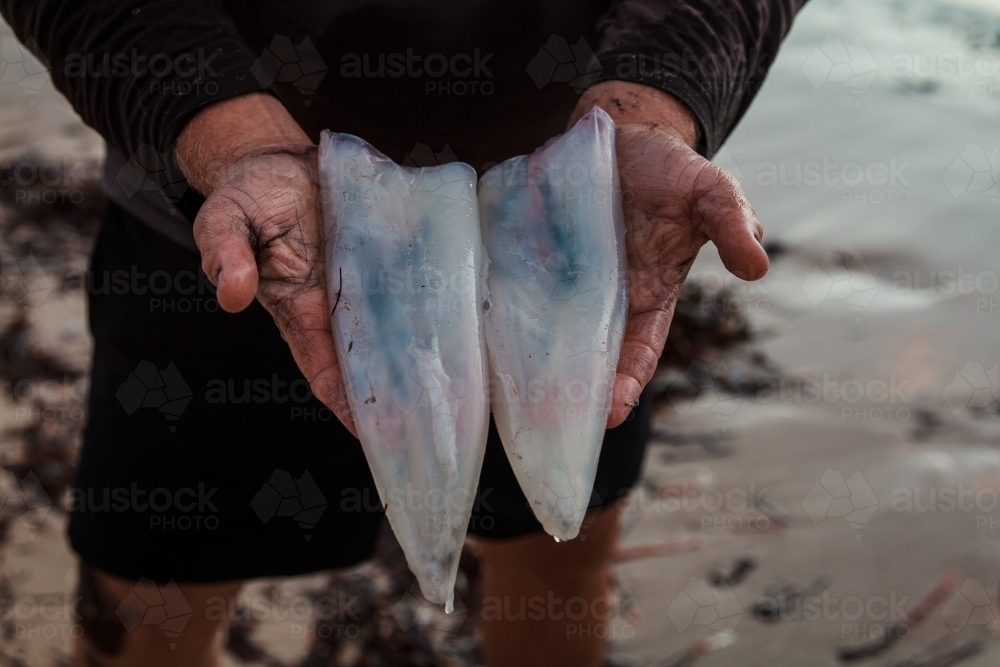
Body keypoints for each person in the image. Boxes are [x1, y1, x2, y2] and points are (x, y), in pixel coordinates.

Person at [2, 1, 804, 665]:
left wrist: (654, 107)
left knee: (556, 552)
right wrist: (232, 142)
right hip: (233, 222)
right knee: (152, 595)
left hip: (589, 225)